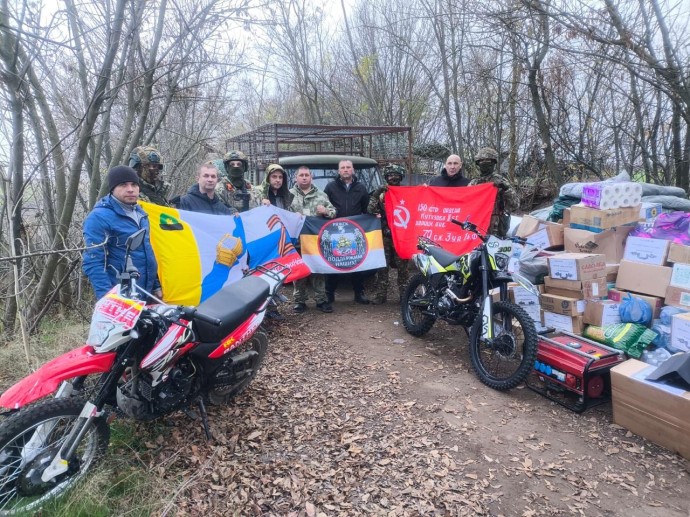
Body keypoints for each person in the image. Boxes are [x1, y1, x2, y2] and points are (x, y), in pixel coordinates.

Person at [83, 166, 161, 301]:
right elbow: (93, 262)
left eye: (134, 184)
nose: (130, 189)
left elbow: (147, 253)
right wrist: (108, 299)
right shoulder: (98, 217)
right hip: (121, 295)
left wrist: (156, 286)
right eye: (123, 185)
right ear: (112, 189)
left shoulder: (141, 214)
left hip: (146, 293)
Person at [323, 159, 371, 304]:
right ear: (339, 171)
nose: (345, 169)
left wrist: (373, 217)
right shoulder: (330, 187)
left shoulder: (361, 188)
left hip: (354, 231)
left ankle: (359, 293)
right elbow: (325, 205)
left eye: (348, 167)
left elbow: (366, 208)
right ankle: (329, 294)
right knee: (334, 263)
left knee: (356, 262)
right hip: (334, 231)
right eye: (342, 167)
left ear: (353, 170)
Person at [289, 166, 337, 313]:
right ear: (296, 178)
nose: (304, 177)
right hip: (297, 241)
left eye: (306, 175)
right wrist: (292, 216)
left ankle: (321, 300)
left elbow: (334, 212)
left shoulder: (321, 195)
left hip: (315, 242)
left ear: (311, 177)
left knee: (318, 271)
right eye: (301, 175)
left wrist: (326, 211)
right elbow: (281, 214)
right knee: (299, 272)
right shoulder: (289, 195)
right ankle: (299, 301)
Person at [366, 164, 410, 304]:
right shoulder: (381, 193)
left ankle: (404, 296)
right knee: (382, 268)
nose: (393, 178)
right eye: (390, 175)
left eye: (396, 175)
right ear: (386, 177)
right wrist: (376, 194)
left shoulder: (407, 192)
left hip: (401, 237)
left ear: (401, 177)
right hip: (384, 237)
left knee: (403, 269)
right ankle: (381, 295)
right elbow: (370, 210)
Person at [470, 147, 518, 237]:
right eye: (481, 161)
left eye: (488, 161)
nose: (484, 164)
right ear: (478, 164)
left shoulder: (501, 181)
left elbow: (515, 204)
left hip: (497, 227)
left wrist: (505, 188)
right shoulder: (474, 183)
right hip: (478, 225)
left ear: (493, 163)